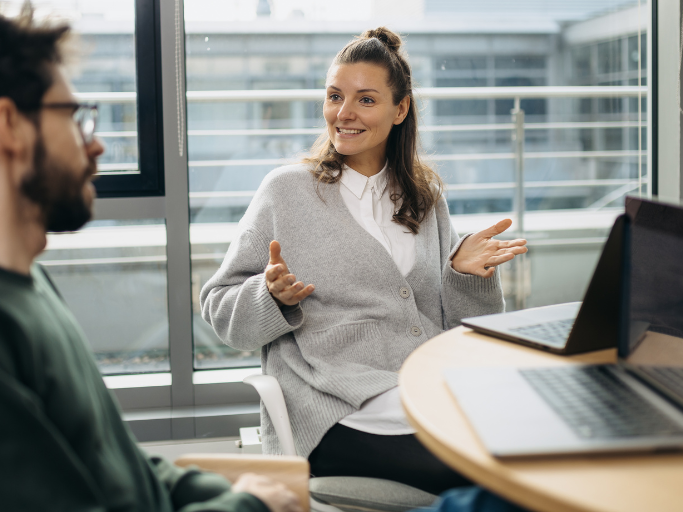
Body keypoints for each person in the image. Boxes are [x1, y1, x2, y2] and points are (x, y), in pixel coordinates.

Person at [0, 7, 301, 512]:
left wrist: (229, 493)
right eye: (73, 117)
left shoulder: (27, 284)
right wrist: (246, 508)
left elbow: (111, 464)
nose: (96, 142)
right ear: (8, 125)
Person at [200, 28, 528, 495]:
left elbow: (456, 330)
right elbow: (220, 312)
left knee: (534, 448)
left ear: (401, 109)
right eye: (335, 96)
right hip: (336, 406)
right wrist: (269, 296)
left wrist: (462, 276)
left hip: (426, 389)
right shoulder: (286, 192)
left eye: (365, 100)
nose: (344, 113)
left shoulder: (424, 196)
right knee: (492, 480)